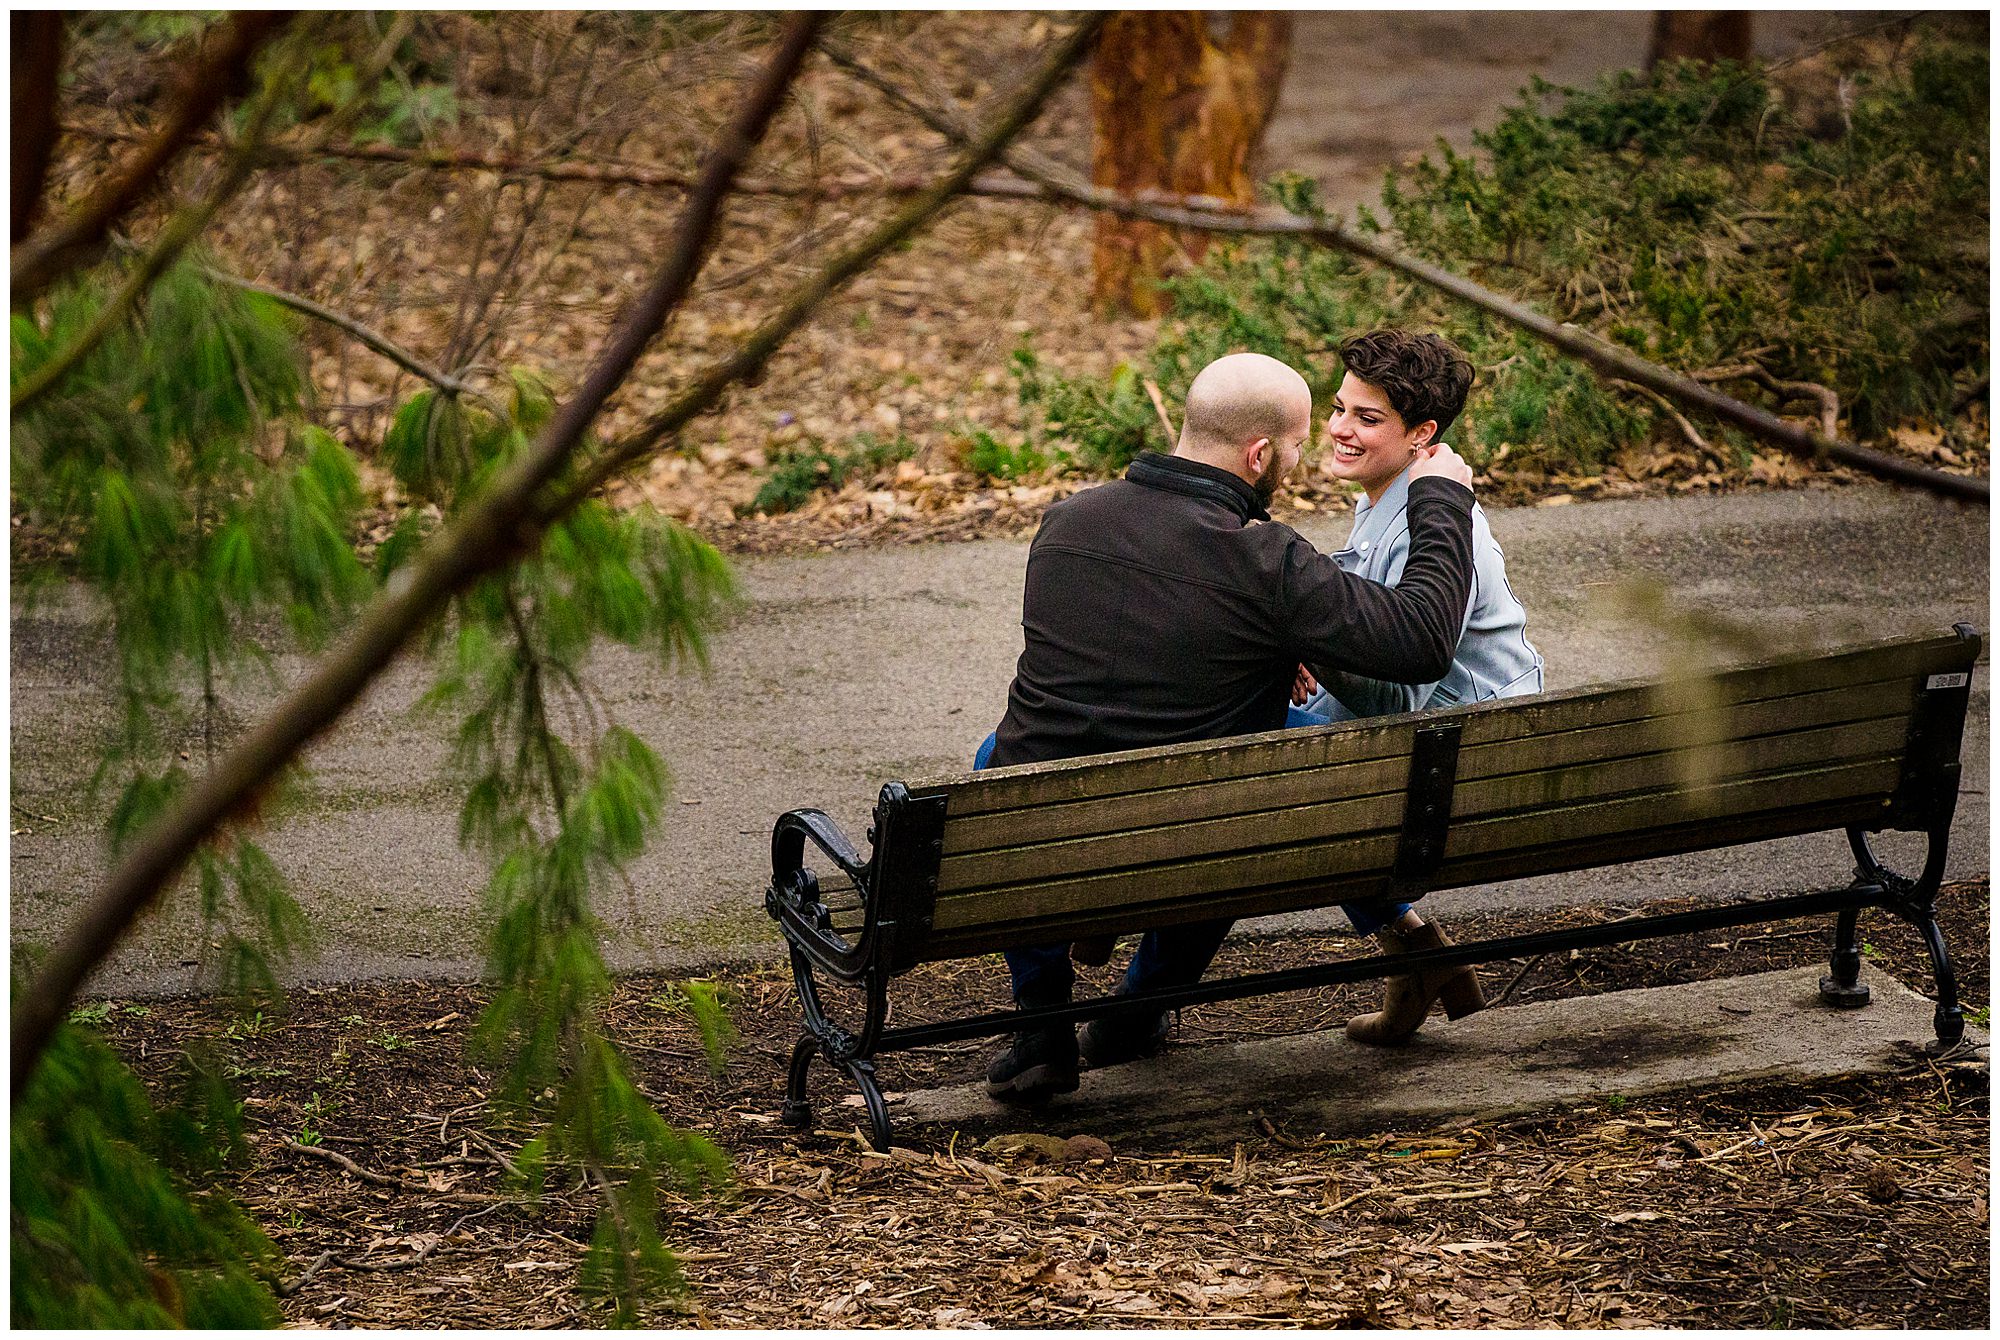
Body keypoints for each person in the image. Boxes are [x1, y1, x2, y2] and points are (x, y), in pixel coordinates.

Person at [981, 351, 1486, 1105]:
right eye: (1293, 448)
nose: (1300, 459)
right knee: (1245, 786)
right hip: (1200, 837)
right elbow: (1419, 642)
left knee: (1002, 758)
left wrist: (1265, 650)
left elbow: (1132, 648)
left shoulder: (1067, 523)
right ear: (1258, 455)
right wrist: (1441, 499)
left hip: (1051, 832)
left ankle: (1044, 1026)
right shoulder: (1264, 562)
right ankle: (1138, 1012)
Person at [1284, 329, 1541, 1048]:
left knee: (1272, 760)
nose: (1338, 429)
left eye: (1367, 419)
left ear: (1422, 433)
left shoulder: (1425, 525)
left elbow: (1399, 696)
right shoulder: (1394, 497)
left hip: (1464, 757)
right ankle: (1417, 953)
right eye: (1339, 409)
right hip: (1440, 739)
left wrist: (1305, 633)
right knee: (1256, 727)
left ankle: (1413, 949)